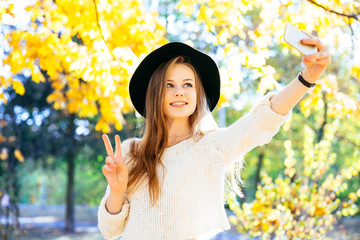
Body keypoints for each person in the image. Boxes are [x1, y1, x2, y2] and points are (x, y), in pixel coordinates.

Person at [97, 36, 330, 239]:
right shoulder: (130, 152)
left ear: (198, 95)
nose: (179, 91)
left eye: (187, 84)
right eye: (169, 85)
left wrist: (307, 78)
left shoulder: (212, 146)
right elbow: (110, 231)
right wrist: (117, 191)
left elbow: (262, 119)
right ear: (155, 93)